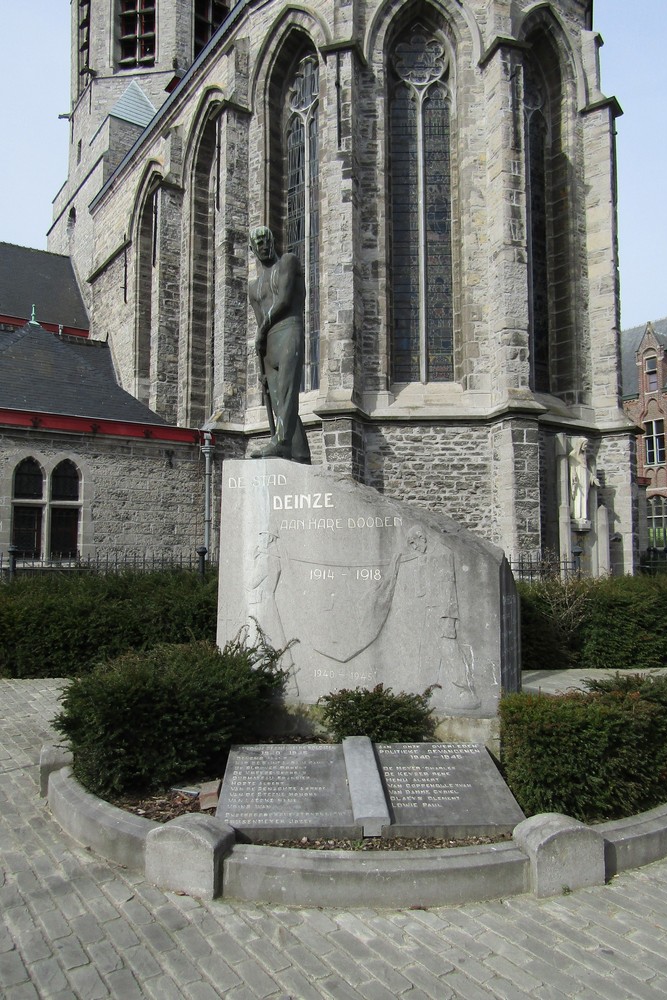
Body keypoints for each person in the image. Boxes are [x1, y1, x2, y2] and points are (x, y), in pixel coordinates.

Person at [248, 226, 311, 463]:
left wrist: (263, 329)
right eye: (258, 243)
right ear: (252, 249)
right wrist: (260, 368)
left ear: (272, 240)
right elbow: (258, 324)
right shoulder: (253, 288)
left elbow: (284, 299)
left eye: (266, 240)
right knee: (278, 403)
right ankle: (301, 455)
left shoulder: (288, 262)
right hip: (268, 345)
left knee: (287, 394)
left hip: (289, 331)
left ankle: (281, 442)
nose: (264, 246)